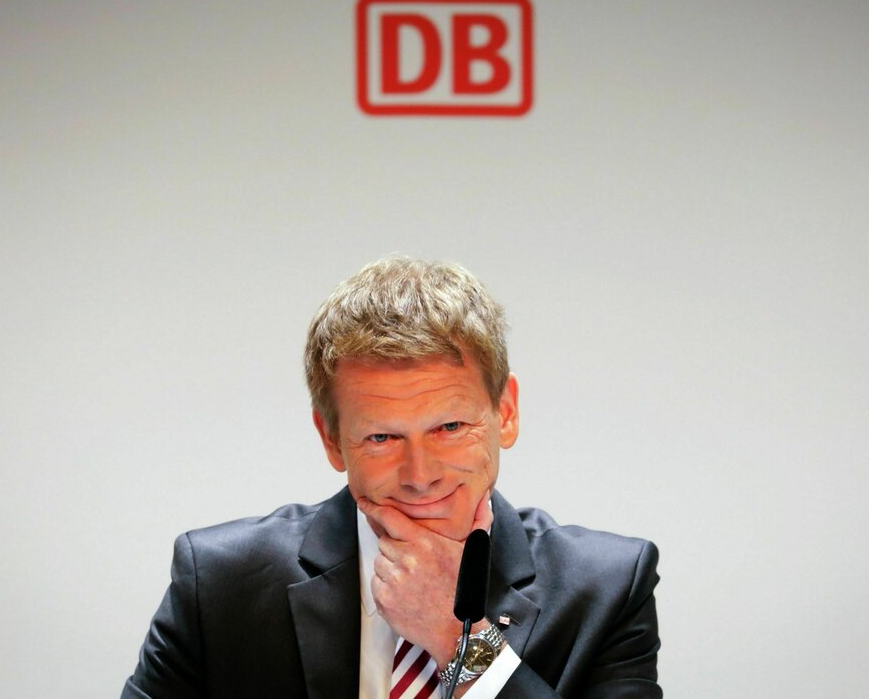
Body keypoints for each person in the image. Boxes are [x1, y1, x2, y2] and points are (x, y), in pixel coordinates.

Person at [121, 257, 661, 699]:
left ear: (506, 413)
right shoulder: (220, 582)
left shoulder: (608, 587)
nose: (420, 476)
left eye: (450, 427)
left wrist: (457, 640)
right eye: (382, 437)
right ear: (332, 439)